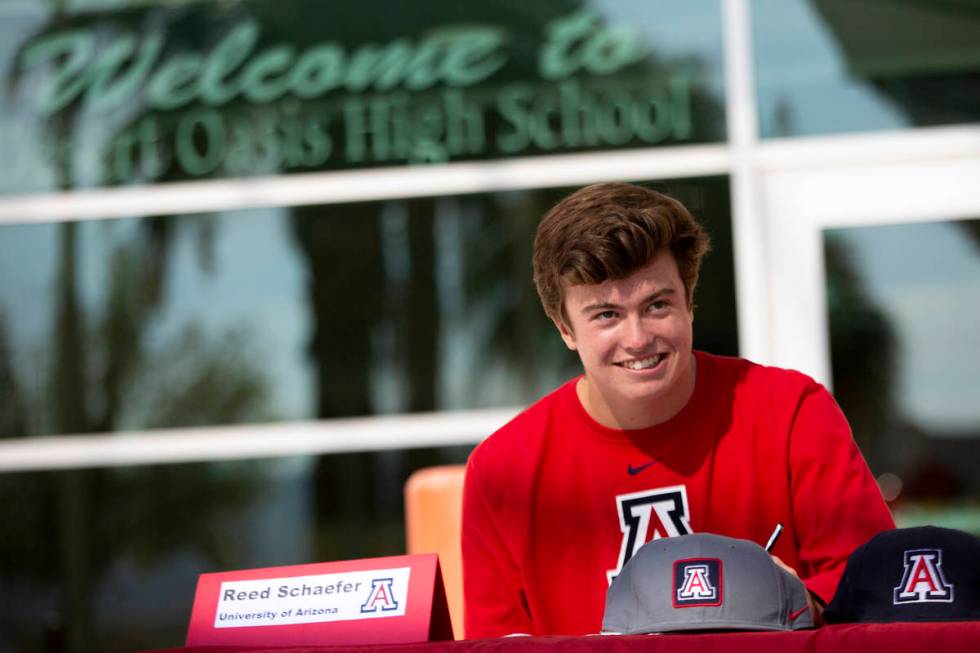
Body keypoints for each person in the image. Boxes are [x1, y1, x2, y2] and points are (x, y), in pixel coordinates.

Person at [461, 182, 895, 638]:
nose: (637, 338)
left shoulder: (790, 412)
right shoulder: (501, 471)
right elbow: (495, 643)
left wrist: (798, 601)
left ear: (688, 300)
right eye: (606, 315)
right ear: (564, 327)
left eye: (657, 305)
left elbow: (876, 589)